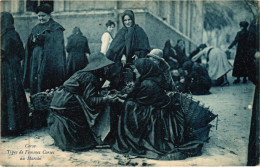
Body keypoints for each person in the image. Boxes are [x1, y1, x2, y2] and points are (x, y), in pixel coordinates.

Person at [112, 58, 216, 160]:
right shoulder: (151, 79)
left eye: (136, 68)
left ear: (144, 69)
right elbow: (140, 97)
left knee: (129, 106)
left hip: (156, 113)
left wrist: (125, 101)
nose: (134, 70)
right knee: (129, 104)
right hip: (159, 108)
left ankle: (131, 139)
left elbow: (140, 101)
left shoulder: (148, 83)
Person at [48, 52, 120, 151]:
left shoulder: (82, 73)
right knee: (100, 109)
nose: (107, 69)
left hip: (59, 100)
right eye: (105, 67)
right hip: (67, 103)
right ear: (98, 67)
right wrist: (106, 99)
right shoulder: (90, 77)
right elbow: (90, 100)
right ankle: (101, 137)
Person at [23, 3, 66, 95]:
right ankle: (36, 101)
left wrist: (44, 40)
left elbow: (56, 47)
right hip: (35, 60)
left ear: (49, 15)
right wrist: (32, 41)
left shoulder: (56, 28)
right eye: (38, 16)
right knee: (35, 80)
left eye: (43, 16)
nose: (40, 18)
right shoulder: (36, 28)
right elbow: (29, 44)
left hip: (48, 62)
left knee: (45, 82)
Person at [106, 10, 151, 89]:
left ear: (133, 19)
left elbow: (145, 48)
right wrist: (122, 55)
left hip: (135, 62)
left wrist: (138, 53)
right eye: (125, 20)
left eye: (129, 20)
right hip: (122, 62)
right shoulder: (121, 32)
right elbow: (113, 49)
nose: (127, 22)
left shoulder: (139, 31)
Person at [1, 12, 30, 136]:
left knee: (4, 95)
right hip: (12, 70)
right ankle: (15, 125)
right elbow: (22, 53)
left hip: (2, 69)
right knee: (14, 94)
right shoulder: (14, 34)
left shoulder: (1, 35)